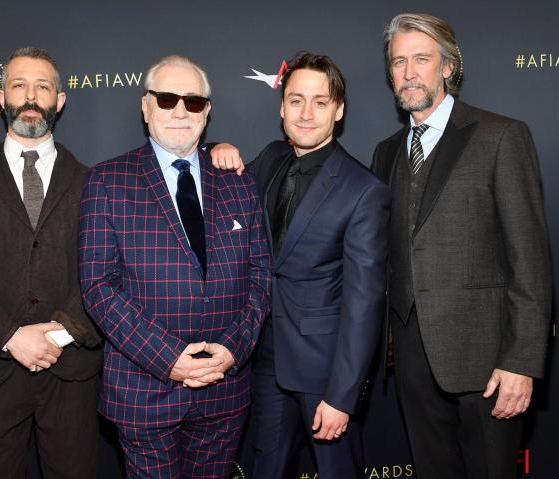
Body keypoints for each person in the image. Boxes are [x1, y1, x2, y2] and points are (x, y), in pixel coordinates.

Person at [371, 13, 552, 479]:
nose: (409, 73)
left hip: (487, 365)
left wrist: (521, 363)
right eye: (399, 62)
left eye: (421, 60)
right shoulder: (386, 152)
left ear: (447, 67)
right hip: (411, 363)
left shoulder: (500, 137)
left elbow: (529, 262)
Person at [78, 54, 271, 479]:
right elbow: (98, 286)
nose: (180, 110)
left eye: (194, 101)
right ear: (145, 108)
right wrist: (168, 359)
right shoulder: (108, 181)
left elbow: (260, 277)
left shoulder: (239, 180)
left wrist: (233, 351)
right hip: (145, 390)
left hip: (224, 389)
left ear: (208, 112)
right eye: (166, 99)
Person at [215, 51, 390, 478]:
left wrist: (343, 396)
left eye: (320, 101)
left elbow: (365, 303)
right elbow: (217, 176)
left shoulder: (363, 189)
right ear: (281, 107)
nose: (306, 113)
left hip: (325, 372)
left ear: (339, 110)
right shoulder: (272, 158)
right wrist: (215, 147)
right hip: (265, 361)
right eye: (296, 100)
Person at [0, 47, 102, 479]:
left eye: (43, 86)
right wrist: (11, 337)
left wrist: (59, 335)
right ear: (0, 96)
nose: (31, 96)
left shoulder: (93, 184)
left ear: (59, 100)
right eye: (19, 85)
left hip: (71, 371)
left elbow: (104, 268)